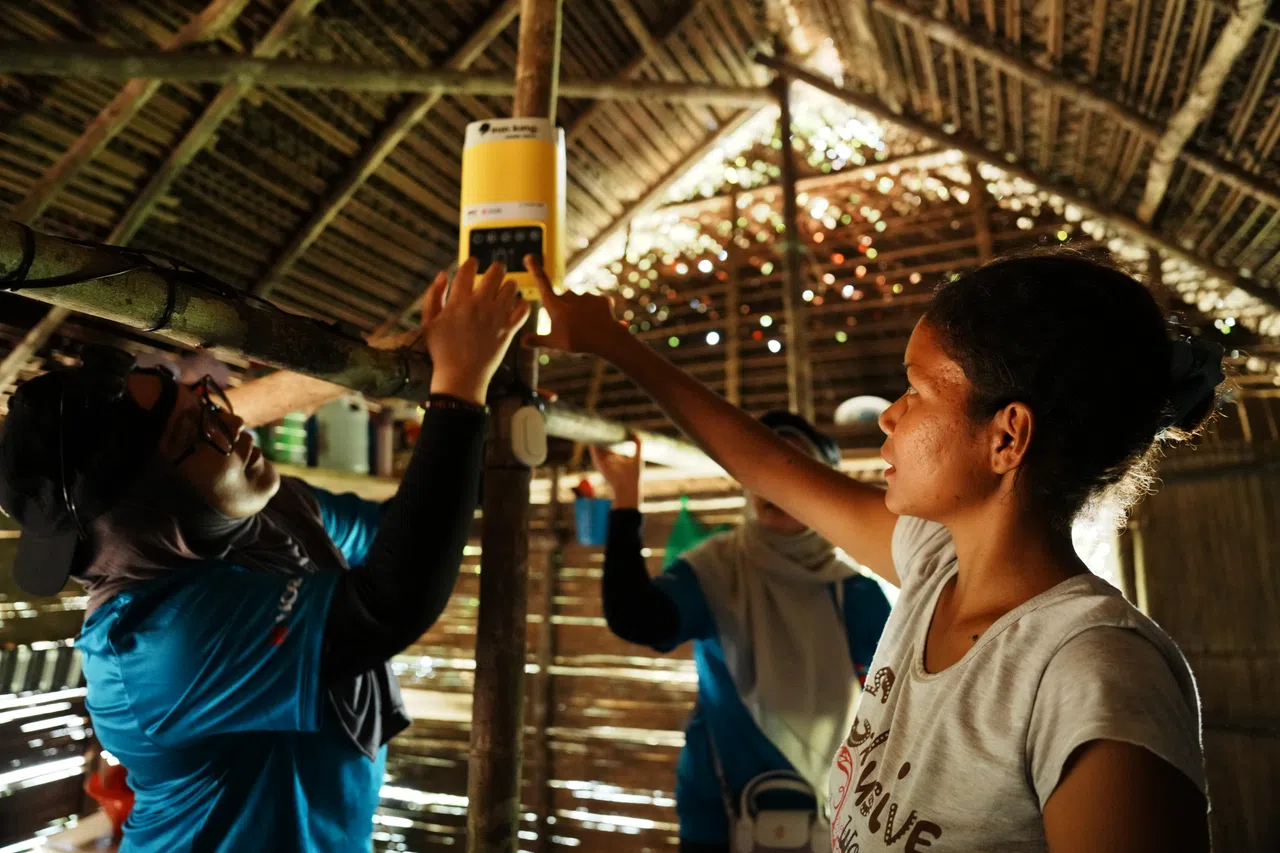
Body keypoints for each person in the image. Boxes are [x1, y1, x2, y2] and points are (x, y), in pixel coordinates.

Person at [523, 250, 1219, 853]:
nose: (890, 413)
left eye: (916, 390)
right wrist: (615, 343)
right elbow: (766, 466)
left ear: (1006, 437)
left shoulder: (1094, 674)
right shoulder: (932, 569)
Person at [0, 259, 528, 852]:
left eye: (203, 399)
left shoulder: (270, 516)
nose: (229, 420)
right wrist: (457, 395)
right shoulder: (151, 645)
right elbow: (386, 604)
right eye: (194, 433)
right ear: (148, 510)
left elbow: (404, 530)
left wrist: (489, 410)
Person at [592, 417, 891, 852]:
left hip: (835, 819)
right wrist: (625, 499)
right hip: (722, 820)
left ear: (822, 484)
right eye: (761, 471)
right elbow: (636, 618)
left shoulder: (856, 589)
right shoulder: (718, 570)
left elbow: (896, 703)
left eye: (793, 470)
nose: (774, 486)